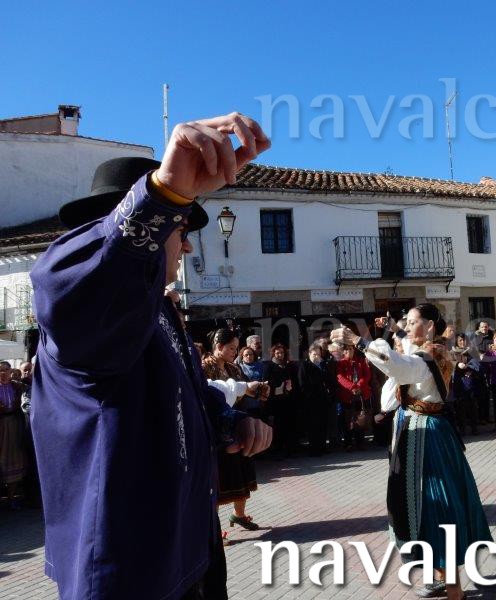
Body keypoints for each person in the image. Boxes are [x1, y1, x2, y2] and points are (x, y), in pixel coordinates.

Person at [30, 114, 273, 600]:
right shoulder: (90, 312)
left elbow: (182, 393)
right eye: (179, 227)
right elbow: (63, 282)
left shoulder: (161, 312)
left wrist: (229, 422)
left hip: (188, 554)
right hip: (130, 573)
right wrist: (161, 195)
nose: (187, 243)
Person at [331, 305, 492, 600]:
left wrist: (359, 340)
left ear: (429, 325)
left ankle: (454, 590)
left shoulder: (432, 354)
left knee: (436, 504)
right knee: (416, 504)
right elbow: (404, 357)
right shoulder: (426, 349)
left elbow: (400, 366)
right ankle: (441, 578)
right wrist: (394, 328)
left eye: (412, 322)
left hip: (427, 435)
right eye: (406, 322)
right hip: (415, 430)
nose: (406, 327)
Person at [203, 328, 268, 537]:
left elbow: (243, 391)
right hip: (217, 431)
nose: (235, 352)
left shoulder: (233, 368)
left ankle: (239, 515)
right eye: (231, 348)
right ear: (218, 346)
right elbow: (211, 396)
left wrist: (258, 391)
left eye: (236, 348)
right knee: (218, 481)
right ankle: (213, 528)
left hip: (236, 425)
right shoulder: (205, 366)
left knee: (240, 474)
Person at [298, 343, 335, 456]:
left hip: (323, 399)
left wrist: (322, 366)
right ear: (309, 354)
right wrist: (308, 395)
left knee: (323, 423)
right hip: (311, 400)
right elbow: (302, 382)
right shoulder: (305, 365)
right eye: (314, 354)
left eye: (318, 354)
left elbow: (328, 379)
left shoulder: (323, 365)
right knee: (313, 425)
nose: (317, 357)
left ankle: (322, 446)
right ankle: (314, 449)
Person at [263, 343, 298, 458]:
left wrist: (289, 387)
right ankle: (277, 450)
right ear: (273, 353)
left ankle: (288, 449)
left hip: (287, 400)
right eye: (277, 353)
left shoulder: (287, 365)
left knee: (288, 425)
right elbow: (266, 381)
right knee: (277, 426)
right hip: (275, 401)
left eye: (282, 352)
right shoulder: (269, 366)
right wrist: (278, 386)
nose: (280, 355)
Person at [335, 344, 373, 450]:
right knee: (348, 420)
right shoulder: (341, 363)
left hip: (361, 394)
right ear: (343, 352)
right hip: (347, 395)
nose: (348, 351)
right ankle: (348, 443)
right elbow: (340, 377)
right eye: (346, 349)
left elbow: (367, 375)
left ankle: (360, 442)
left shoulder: (361, 360)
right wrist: (352, 387)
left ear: (354, 350)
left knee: (360, 418)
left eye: (350, 349)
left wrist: (359, 385)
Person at [0, 361, 27, 509]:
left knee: (14, 459)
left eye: (6, 370)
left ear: (11, 371)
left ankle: (11, 498)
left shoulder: (17, 387)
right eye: (0, 370)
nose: (3, 373)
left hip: (14, 426)